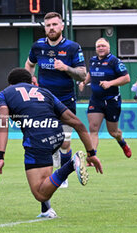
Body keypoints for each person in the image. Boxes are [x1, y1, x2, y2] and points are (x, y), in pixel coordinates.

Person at [0, 68, 103, 218]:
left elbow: (3, 124)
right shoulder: (45, 92)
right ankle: (46, 210)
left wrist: (0, 157)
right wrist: (91, 153)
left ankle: (71, 164)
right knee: (44, 177)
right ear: (31, 81)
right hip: (57, 135)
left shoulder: (5, 93)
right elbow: (77, 123)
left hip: (38, 138)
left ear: (10, 84)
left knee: (40, 193)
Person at [25, 12, 87, 188]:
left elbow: (82, 74)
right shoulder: (37, 47)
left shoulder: (72, 47)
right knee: (49, 141)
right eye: (48, 25)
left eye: (54, 24)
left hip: (66, 100)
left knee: (65, 141)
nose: (51, 28)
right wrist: (30, 81)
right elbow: (29, 64)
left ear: (61, 26)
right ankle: (56, 171)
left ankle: (64, 174)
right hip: (44, 101)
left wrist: (66, 67)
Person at [78, 38, 132, 160]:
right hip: (96, 100)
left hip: (112, 100)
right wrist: (84, 82)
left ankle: (122, 142)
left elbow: (126, 78)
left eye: (103, 46)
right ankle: (92, 157)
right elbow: (91, 74)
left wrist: (110, 83)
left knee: (113, 132)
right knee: (93, 128)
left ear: (108, 47)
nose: (100, 48)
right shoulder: (93, 61)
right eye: (98, 46)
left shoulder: (114, 61)